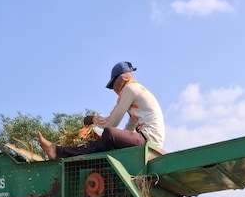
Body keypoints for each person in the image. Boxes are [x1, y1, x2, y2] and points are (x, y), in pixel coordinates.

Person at [37, 61, 165, 159]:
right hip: (150, 141)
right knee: (107, 138)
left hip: (147, 140)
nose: (114, 89)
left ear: (119, 79)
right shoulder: (138, 92)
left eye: (113, 84)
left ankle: (58, 152)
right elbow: (129, 129)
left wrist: (93, 119)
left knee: (109, 133)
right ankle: (61, 151)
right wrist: (102, 136)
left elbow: (111, 124)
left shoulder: (130, 89)